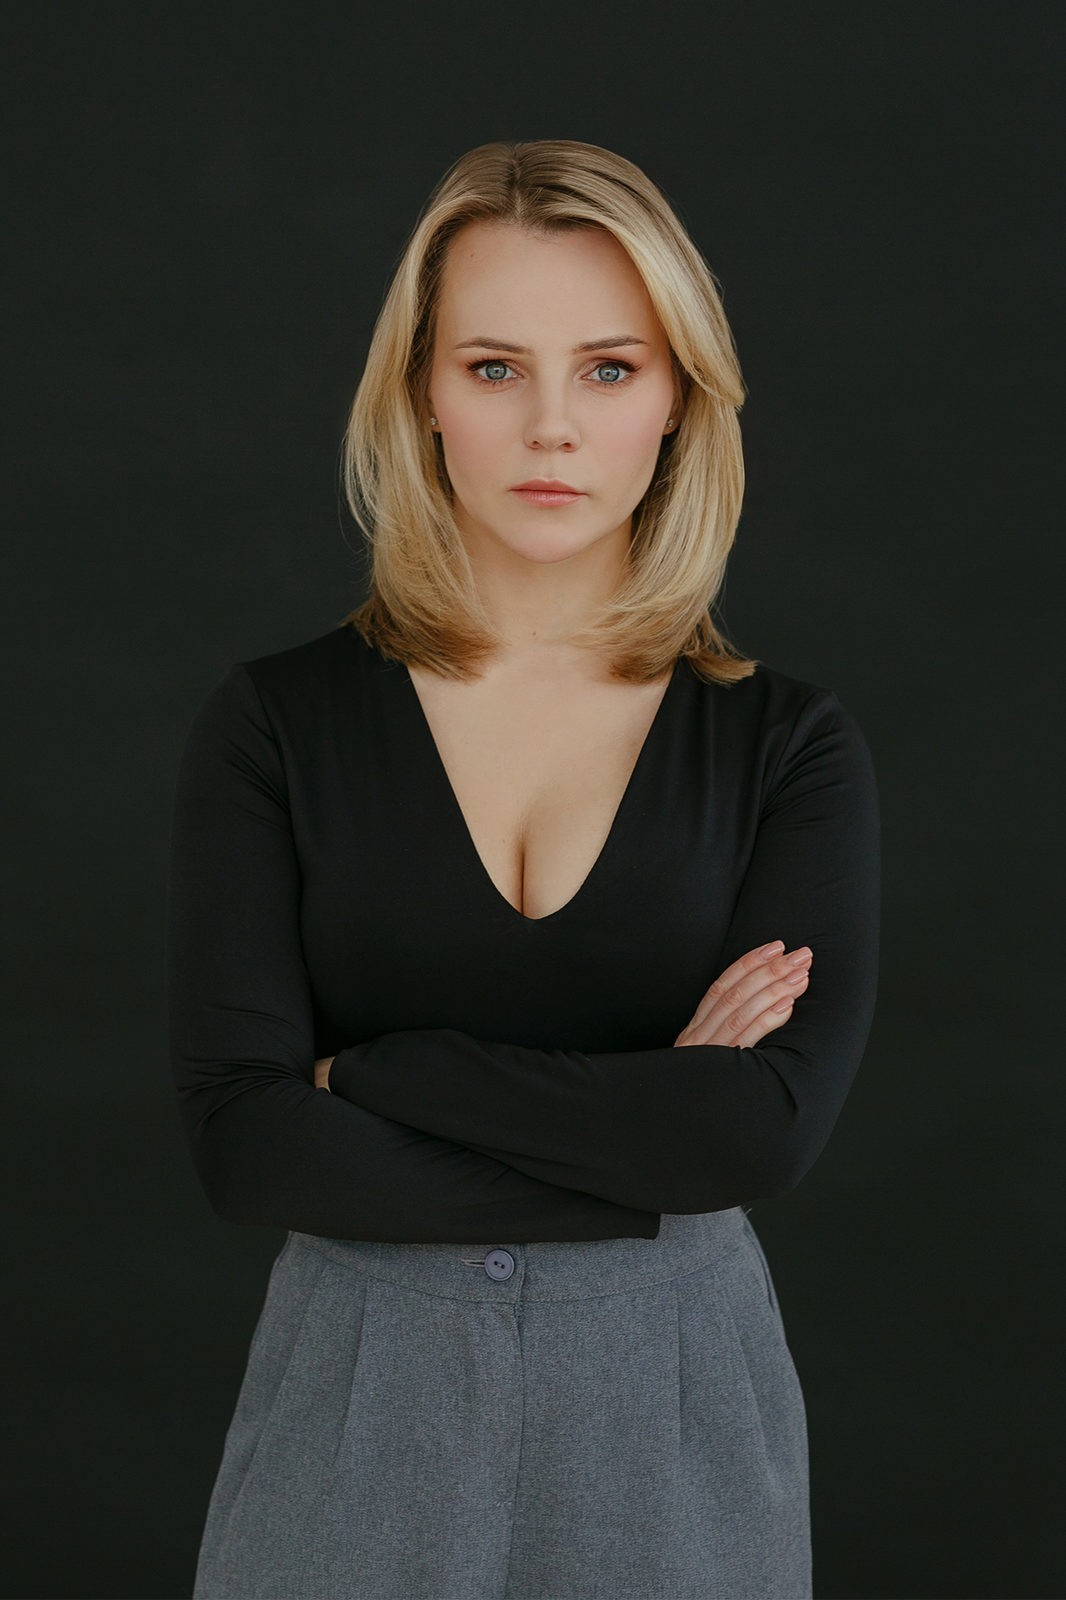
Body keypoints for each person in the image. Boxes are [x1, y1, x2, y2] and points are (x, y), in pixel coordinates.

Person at [165, 137, 880, 1600]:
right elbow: (248, 1146)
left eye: (608, 369)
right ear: (420, 393)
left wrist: (374, 1075)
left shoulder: (786, 744)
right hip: (356, 1406)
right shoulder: (277, 723)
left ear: (678, 397)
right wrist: (648, 1126)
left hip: (673, 1406)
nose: (551, 426)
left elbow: (750, 1142)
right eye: (494, 367)